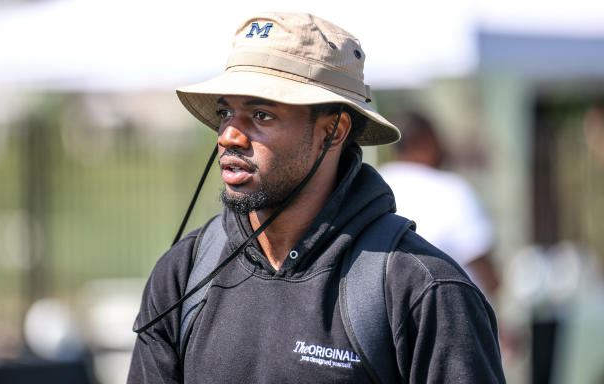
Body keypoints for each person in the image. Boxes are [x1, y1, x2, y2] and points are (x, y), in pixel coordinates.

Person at [128, 12, 505, 383]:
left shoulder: (422, 290)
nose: (229, 136)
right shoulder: (184, 274)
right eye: (226, 111)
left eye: (261, 114)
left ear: (332, 132)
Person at [378, 112, 500, 297]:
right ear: (425, 142)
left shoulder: (377, 184)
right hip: (450, 314)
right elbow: (488, 273)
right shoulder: (453, 190)